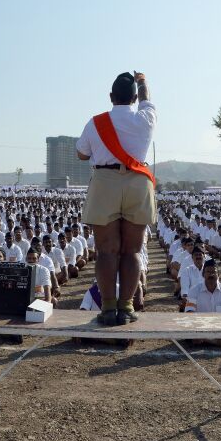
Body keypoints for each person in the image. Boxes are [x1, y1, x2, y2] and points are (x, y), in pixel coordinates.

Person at [76, 71, 156, 326]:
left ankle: (108, 308)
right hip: (137, 182)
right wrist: (142, 81)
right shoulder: (146, 117)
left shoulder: (95, 123)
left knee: (107, 251)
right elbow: (147, 99)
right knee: (132, 251)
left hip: (105, 183)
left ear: (111, 97)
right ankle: (127, 306)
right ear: (134, 98)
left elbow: (81, 154)